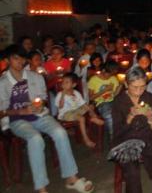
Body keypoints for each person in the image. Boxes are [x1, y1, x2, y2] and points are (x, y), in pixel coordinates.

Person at [0, 45, 94, 193]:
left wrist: (39, 104)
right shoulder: (2, 82)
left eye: (21, 58)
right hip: (17, 120)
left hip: (39, 115)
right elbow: (1, 111)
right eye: (15, 58)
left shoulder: (35, 77)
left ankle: (71, 177)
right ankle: (41, 188)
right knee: (35, 139)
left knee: (60, 132)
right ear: (7, 60)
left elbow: (43, 98)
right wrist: (21, 111)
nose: (19, 62)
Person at [112, 67, 152, 193]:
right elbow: (117, 133)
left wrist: (151, 118)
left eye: (142, 86)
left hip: (148, 138)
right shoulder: (118, 102)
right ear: (126, 84)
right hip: (126, 140)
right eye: (134, 87)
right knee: (132, 173)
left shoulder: (149, 98)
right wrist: (130, 117)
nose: (139, 91)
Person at [55, 73, 104, 148]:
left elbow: (83, 104)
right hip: (65, 114)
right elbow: (60, 106)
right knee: (81, 118)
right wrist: (63, 95)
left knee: (90, 106)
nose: (64, 84)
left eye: (67, 82)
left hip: (76, 110)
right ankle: (86, 139)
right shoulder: (60, 94)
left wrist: (92, 112)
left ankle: (93, 118)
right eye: (63, 82)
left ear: (73, 85)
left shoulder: (76, 93)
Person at [88, 61, 121, 140]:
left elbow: (115, 94)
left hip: (113, 101)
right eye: (108, 74)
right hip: (101, 103)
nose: (110, 76)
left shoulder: (113, 78)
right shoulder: (94, 80)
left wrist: (121, 84)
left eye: (111, 74)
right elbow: (91, 98)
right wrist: (105, 90)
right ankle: (113, 138)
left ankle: (123, 135)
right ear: (103, 70)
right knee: (109, 115)